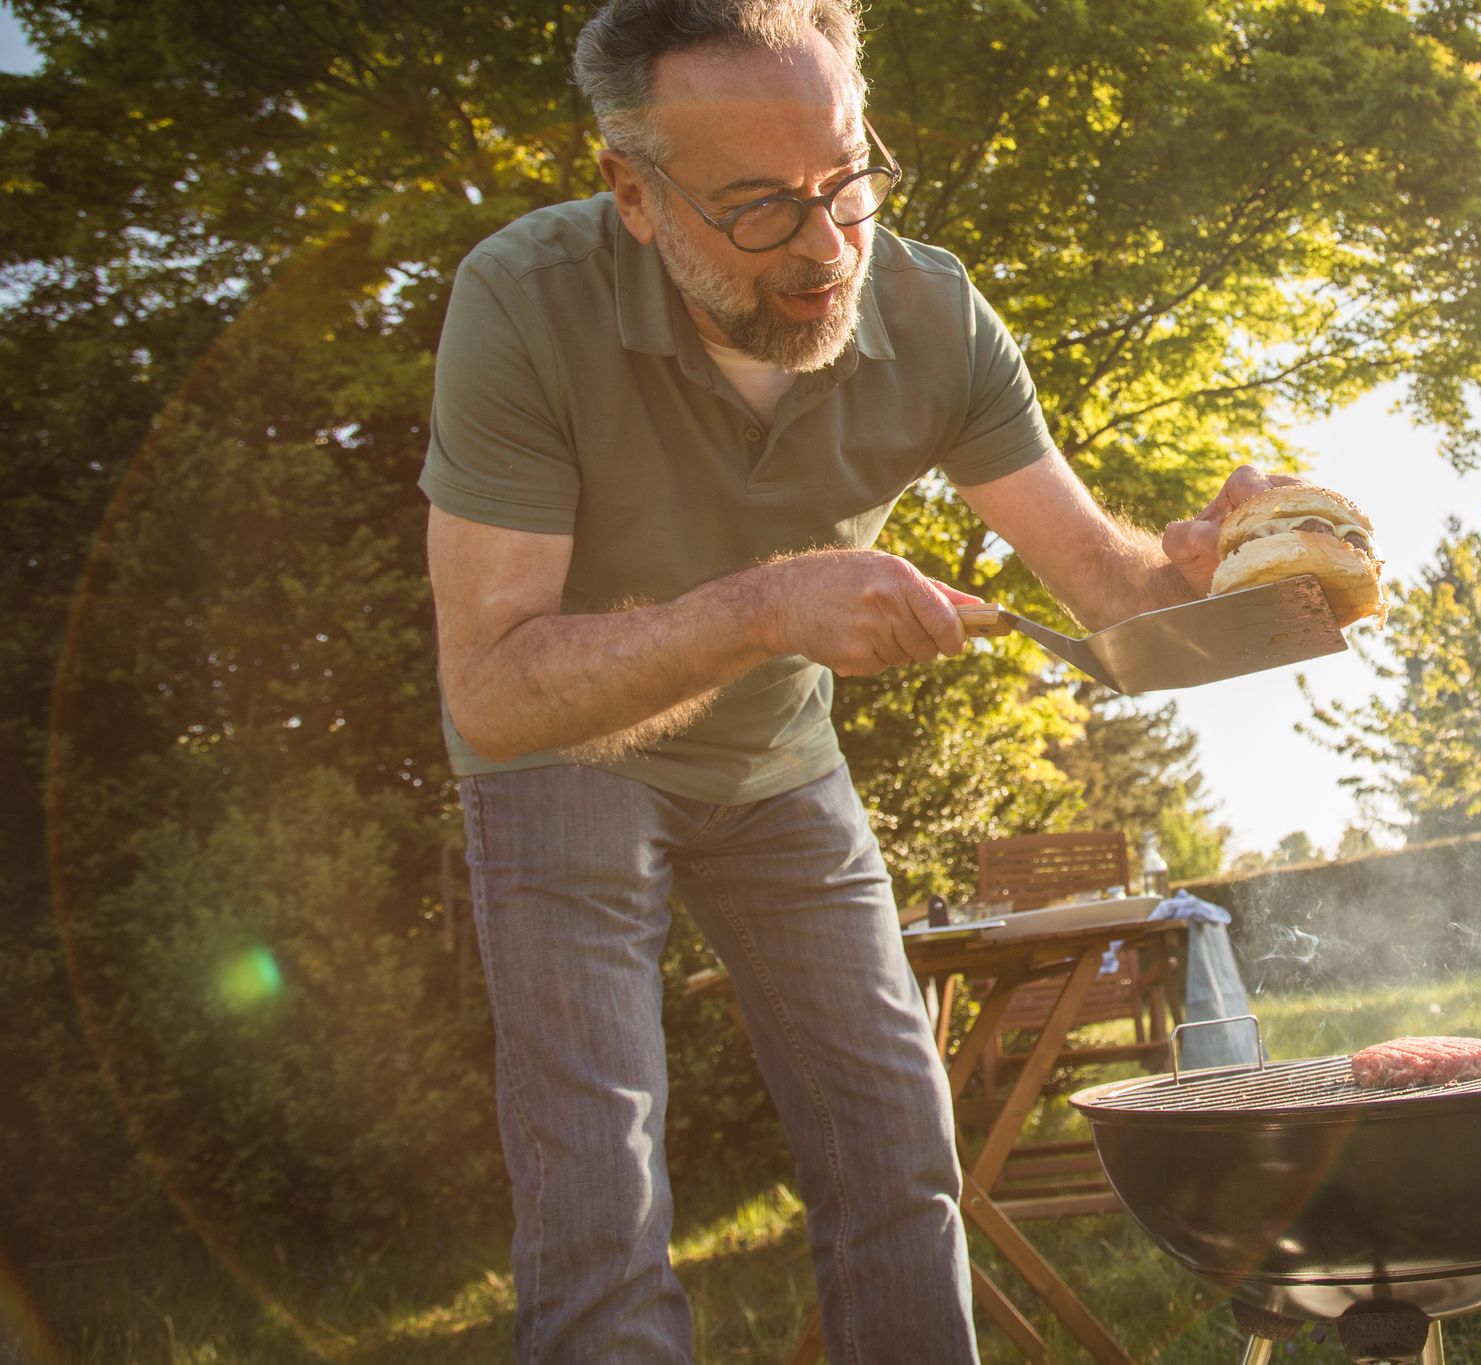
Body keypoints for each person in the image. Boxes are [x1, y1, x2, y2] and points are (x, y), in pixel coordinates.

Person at [419, 0, 1293, 1359]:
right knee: (601, 1202)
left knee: (900, 1148)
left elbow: (1109, 592)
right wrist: (769, 604)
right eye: (762, 208)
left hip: (777, 769)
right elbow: (492, 686)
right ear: (632, 194)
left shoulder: (934, 315)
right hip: (563, 757)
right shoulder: (523, 302)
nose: (828, 250)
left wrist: (1203, 573)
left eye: (846, 181)